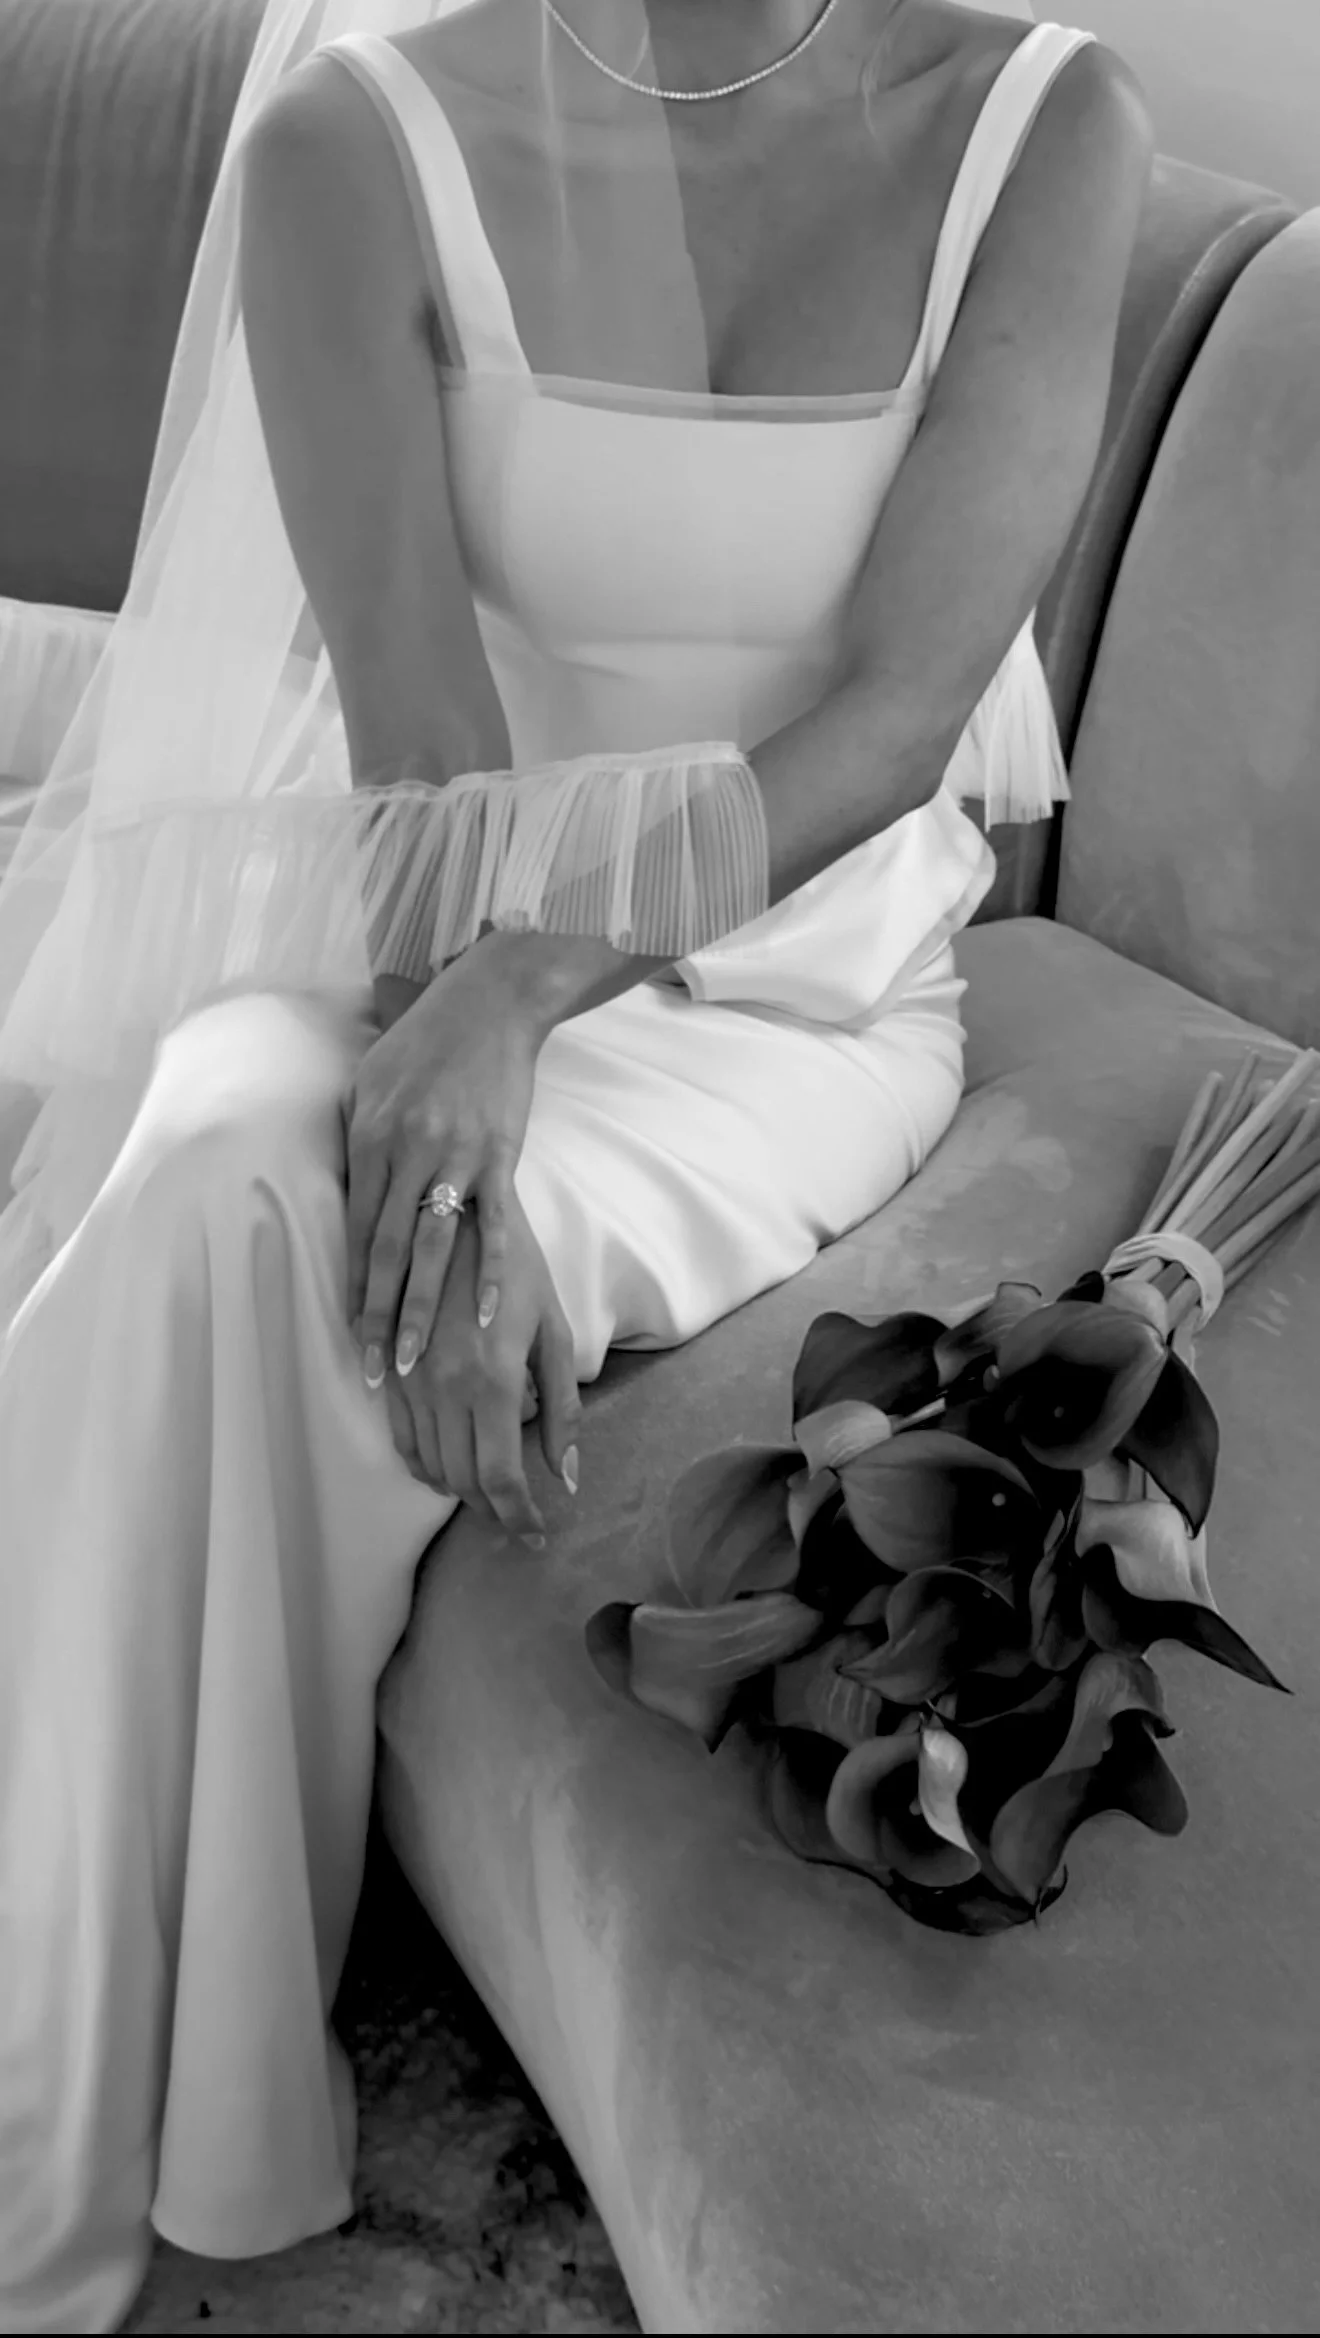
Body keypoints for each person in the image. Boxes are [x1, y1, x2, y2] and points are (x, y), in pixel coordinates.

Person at [0, 2, 1152, 2329]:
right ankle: (115, 2117)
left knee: (276, 1218)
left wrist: (528, 1011)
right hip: (425, 941)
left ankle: (89, 2139)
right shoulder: (349, 145)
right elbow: (425, 742)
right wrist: (467, 1035)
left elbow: (895, 720)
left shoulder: (1045, 125)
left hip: (796, 1002)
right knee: (216, 1163)